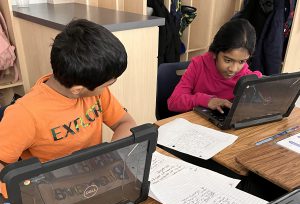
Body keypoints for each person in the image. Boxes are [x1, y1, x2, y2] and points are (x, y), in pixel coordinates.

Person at [0, 19, 136, 171]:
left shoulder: (96, 93)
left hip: (95, 178)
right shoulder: (24, 115)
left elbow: (126, 123)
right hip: (54, 187)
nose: (109, 86)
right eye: (108, 84)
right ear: (77, 89)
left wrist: (110, 156)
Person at [167, 18, 263, 114]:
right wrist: (207, 100)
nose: (233, 69)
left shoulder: (245, 76)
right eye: (228, 60)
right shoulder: (198, 65)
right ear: (215, 53)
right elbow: (173, 102)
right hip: (195, 123)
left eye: (242, 61)